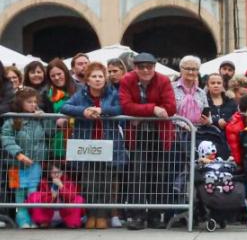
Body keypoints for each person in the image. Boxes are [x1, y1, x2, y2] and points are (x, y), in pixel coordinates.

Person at [62, 62, 125, 229]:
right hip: (87, 145)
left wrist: (102, 110)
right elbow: (65, 107)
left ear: (105, 79)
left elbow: (121, 108)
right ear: (87, 80)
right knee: (89, 182)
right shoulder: (80, 94)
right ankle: (91, 215)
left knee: (105, 183)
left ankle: (102, 216)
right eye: (94, 76)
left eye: (100, 76)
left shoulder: (113, 93)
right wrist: (84, 111)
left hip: (108, 144)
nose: (98, 79)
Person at [118, 52, 177, 230]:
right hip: (137, 135)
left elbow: (171, 108)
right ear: (135, 68)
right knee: (137, 175)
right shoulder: (127, 80)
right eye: (141, 67)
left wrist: (141, 113)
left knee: (158, 176)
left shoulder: (164, 81)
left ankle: (154, 215)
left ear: (154, 67)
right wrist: (153, 109)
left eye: (149, 67)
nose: (145, 70)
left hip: (159, 135)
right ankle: (137, 216)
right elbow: (125, 106)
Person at [2, 88, 47, 228]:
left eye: (35, 102)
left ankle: (34, 218)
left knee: (32, 191)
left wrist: (45, 118)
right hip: (14, 165)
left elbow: (51, 131)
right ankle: (21, 218)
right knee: (18, 192)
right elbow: (6, 137)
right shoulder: (11, 120)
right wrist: (19, 154)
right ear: (20, 103)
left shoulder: (39, 119)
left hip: (35, 163)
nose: (33, 104)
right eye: (29, 102)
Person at [39, 58, 76, 159]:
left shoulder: (79, 89)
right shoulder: (45, 93)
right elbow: (43, 114)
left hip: (78, 135)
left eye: (59, 74)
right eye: (53, 75)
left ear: (65, 72)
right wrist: (56, 122)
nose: (57, 77)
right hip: (54, 138)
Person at [173, 56, 207, 127]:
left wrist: (207, 120)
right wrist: (184, 125)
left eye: (194, 69)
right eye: (188, 69)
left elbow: (207, 114)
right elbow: (167, 113)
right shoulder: (171, 88)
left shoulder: (201, 93)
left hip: (197, 133)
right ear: (181, 69)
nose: (191, 72)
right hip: (175, 132)